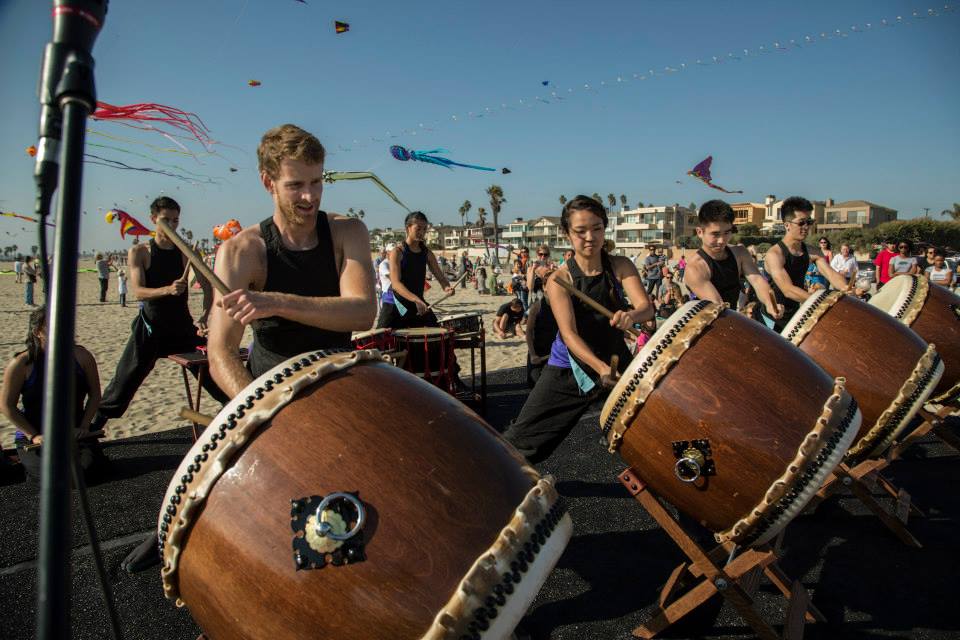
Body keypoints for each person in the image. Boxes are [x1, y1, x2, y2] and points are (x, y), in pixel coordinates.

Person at [209, 123, 378, 389]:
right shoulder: (240, 252)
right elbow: (222, 351)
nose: (309, 196)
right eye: (295, 185)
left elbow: (363, 313)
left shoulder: (349, 232)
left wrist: (276, 303)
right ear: (268, 182)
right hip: (274, 392)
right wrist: (256, 411)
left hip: (341, 384)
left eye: (316, 182)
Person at [502, 195, 653, 463]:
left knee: (649, 428)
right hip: (570, 367)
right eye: (580, 231)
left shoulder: (620, 266)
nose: (589, 237)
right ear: (567, 234)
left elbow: (646, 308)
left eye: (596, 228)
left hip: (615, 357)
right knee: (521, 444)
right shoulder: (560, 280)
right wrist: (601, 368)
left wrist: (631, 315)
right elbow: (570, 335)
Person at [89, 196, 228, 435]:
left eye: (175, 221)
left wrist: (205, 316)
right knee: (124, 382)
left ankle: (233, 413)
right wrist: (168, 289)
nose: (171, 226)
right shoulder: (140, 252)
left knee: (213, 373)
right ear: (153, 219)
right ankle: (91, 428)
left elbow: (208, 288)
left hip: (182, 329)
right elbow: (138, 292)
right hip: (150, 328)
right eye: (165, 220)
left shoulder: (185, 251)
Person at [0, 307, 106, 483]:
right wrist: (33, 435)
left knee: (84, 474)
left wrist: (84, 426)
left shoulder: (81, 356)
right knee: (56, 478)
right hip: (37, 435)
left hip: (75, 432)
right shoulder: (22, 364)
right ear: (37, 332)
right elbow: (6, 405)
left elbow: (95, 394)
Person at [683, 200, 783, 322]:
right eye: (715, 234)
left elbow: (757, 280)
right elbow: (719, 307)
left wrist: (770, 304)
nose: (721, 240)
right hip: (705, 327)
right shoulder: (695, 268)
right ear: (699, 232)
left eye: (727, 232)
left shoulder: (740, 253)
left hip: (729, 320)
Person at [762, 197, 849, 331]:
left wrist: (848, 289)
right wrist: (822, 302)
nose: (806, 227)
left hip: (795, 313)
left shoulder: (812, 251)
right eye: (801, 223)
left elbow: (831, 274)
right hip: (772, 317)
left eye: (809, 222)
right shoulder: (775, 255)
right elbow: (787, 290)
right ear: (787, 225)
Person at [377, 211, 454, 330]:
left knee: (436, 337)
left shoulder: (427, 253)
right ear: (408, 228)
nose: (422, 232)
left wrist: (446, 287)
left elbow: (440, 277)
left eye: (424, 229)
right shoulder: (397, 252)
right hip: (395, 304)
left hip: (418, 304)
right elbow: (396, 284)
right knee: (382, 342)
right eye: (418, 229)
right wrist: (416, 299)